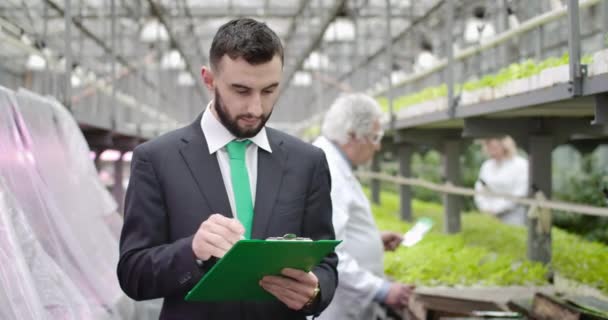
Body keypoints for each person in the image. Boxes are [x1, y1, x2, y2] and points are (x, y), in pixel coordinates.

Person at [117, 18, 338, 320]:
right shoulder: (156, 159)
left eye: (269, 90)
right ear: (209, 80)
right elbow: (133, 274)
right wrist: (191, 251)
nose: (256, 109)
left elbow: (325, 261)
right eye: (241, 90)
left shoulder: (307, 161)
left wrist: (315, 292)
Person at [313, 93, 414, 320]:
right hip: (338, 307)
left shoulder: (333, 164)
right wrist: (382, 289)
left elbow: (332, 231)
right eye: (374, 137)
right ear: (351, 135)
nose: (377, 147)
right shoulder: (329, 172)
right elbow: (329, 249)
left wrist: (372, 239)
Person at [474, 136, 529, 226]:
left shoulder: (521, 165)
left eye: (494, 147)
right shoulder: (486, 166)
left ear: (504, 145)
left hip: (514, 218)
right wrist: (485, 208)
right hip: (489, 217)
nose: (491, 150)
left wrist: (496, 209)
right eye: (488, 146)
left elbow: (520, 193)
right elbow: (479, 188)